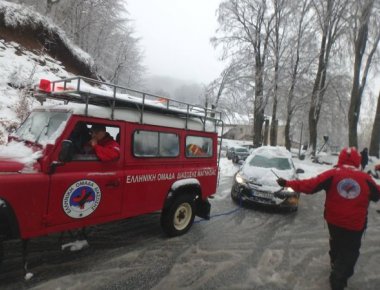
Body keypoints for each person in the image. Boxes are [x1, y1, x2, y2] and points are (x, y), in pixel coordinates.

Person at [276, 147, 380, 290]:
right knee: (350, 252)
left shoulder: (332, 174)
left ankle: (335, 263)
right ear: (358, 161)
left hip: (334, 222)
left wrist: (288, 183)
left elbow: (309, 185)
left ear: (341, 159)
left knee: (336, 242)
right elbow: (377, 195)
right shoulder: (366, 179)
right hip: (355, 226)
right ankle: (338, 278)